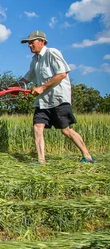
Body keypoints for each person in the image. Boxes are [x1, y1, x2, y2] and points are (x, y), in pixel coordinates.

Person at [19, 30, 95, 164]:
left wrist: (42, 87)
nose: (29, 45)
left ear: (42, 42)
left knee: (66, 130)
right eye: (28, 43)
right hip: (43, 101)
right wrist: (13, 86)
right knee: (38, 127)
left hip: (57, 98)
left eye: (32, 42)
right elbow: (28, 76)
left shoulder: (52, 53)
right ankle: (41, 161)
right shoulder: (35, 60)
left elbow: (61, 74)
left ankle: (87, 156)